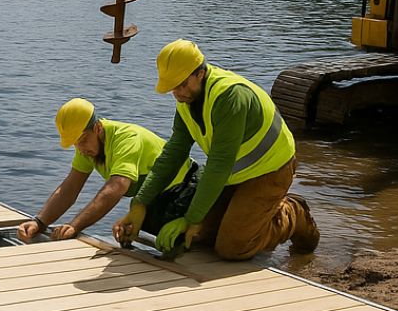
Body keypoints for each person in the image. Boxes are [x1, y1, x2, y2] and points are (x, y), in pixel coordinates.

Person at [114, 39, 320, 260]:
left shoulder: (230, 97)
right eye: (172, 86)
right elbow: (173, 154)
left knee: (232, 248)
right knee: (197, 238)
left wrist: (191, 219)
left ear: (199, 74)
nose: (177, 93)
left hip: (270, 170)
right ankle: (248, 219)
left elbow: (219, 164)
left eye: (182, 84)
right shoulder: (186, 100)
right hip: (233, 174)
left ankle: (291, 212)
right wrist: (139, 204)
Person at [17, 98, 198, 243]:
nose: (80, 148)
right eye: (75, 144)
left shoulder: (126, 138)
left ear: (97, 128)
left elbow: (114, 189)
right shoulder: (87, 147)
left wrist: (75, 226)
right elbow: (70, 188)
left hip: (186, 192)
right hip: (154, 201)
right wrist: (39, 222)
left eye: (82, 140)